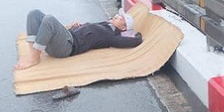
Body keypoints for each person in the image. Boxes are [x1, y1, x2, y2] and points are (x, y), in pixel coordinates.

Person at [13, 8, 142, 70]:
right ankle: (33, 53)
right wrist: (78, 26)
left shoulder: (110, 36)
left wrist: (138, 37)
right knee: (34, 14)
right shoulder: (105, 25)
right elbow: (89, 31)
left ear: (124, 28)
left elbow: (130, 42)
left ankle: (35, 59)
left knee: (49, 20)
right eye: (118, 15)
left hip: (67, 47)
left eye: (121, 18)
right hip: (66, 37)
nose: (117, 16)